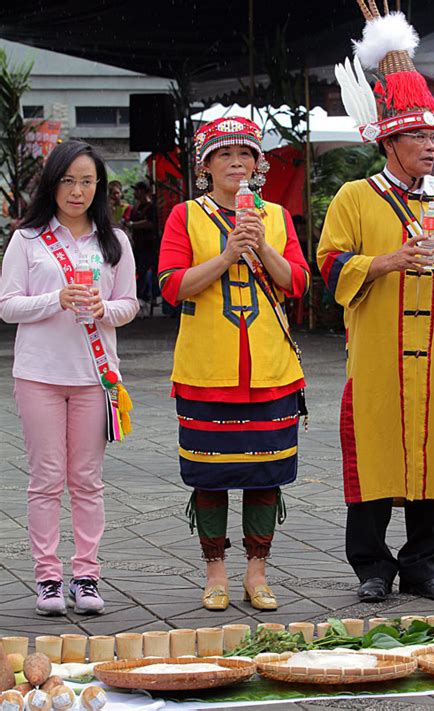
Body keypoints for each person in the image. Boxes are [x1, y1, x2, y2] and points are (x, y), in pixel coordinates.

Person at [317, 3, 434, 603]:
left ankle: (425, 563)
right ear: (390, 140)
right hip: (377, 353)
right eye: (418, 135)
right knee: (374, 455)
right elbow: (329, 265)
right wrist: (385, 262)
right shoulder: (356, 198)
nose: (431, 144)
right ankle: (372, 567)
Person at [158, 117, 310, 611]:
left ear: (259, 166)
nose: (237, 163)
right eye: (224, 155)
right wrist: (226, 256)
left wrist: (260, 243)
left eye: (246, 154)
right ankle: (216, 571)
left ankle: (257, 573)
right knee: (210, 473)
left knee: (264, 472)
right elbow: (170, 286)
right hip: (207, 368)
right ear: (205, 165)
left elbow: (298, 284)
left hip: (270, 368)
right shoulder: (185, 216)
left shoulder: (278, 217)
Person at [0, 140, 139, 616]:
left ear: (99, 186)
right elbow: (7, 305)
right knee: (45, 479)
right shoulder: (28, 239)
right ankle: (47, 580)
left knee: (87, 480)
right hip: (38, 374)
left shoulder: (114, 241)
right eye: (68, 180)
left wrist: (105, 309)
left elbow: (130, 304)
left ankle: (86, 575)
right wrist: (54, 299)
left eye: (86, 181)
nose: (76, 191)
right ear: (53, 182)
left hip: (93, 377)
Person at [126, 180, 156, 311]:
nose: (135, 193)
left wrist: (134, 225)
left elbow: (151, 223)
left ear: (144, 191)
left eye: (137, 190)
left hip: (148, 246)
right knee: (136, 271)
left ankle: (146, 297)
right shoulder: (136, 207)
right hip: (136, 245)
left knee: (145, 271)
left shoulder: (151, 207)